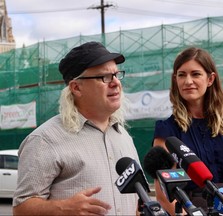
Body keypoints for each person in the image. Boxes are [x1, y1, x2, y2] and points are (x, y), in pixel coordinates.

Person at [13, 41, 140, 215]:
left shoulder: (123, 135)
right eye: (105, 77)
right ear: (76, 88)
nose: (116, 83)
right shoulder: (44, 140)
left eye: (117, 75)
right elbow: (21, 209)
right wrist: (64, 208)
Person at [153, 46, 223, 214]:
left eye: (196, 74)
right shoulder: (167, 131)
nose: (188, 81)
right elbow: (163, 194)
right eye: (182, 75)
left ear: (210, 79)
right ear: (175, 80)